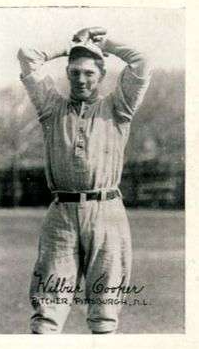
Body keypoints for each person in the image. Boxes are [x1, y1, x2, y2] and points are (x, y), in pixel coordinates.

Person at [17, 26, 151, 334]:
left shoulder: (119, 107)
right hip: (62, 215)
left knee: (105, 308)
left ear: (101, 76)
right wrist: (73, 45)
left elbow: (141, 62)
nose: (81, 79)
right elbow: (27, 56)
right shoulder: (51, 107)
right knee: (49, 305)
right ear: (66, 73)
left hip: (107, 212)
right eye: (74, 72)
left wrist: (106, 44)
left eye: (89, 73)